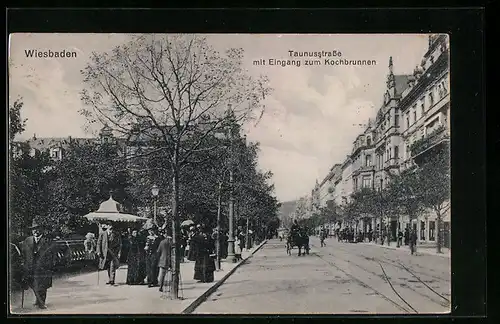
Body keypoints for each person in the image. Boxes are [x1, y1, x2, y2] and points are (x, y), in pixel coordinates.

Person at [19, 219, 56, 309]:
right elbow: (23, 254)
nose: (36, 231)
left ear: (42, 230)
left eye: (38, 229)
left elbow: (52, 255)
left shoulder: (47, 241)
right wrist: (23, 264)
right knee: (33, 284)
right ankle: (38, 299)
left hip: (43, 268)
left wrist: (49, 266)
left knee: (42, 286)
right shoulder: (27, 240)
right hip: (30, 267)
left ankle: (41, 303)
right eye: (34, 229)